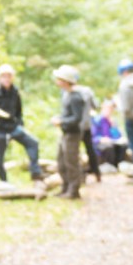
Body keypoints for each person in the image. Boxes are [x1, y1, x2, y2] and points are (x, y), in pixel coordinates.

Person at [0, 64, 44, 183]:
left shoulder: (15, 91)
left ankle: (35, 172)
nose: (7, 79)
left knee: (33, 143)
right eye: (4, 76)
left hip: (13, 127)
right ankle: (3, 181)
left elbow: (18, 110)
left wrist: (20, 124)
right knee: (0, 157)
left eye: (9, 76)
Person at [50, 65, 91, 199]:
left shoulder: (76, 97)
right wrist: (60, 118)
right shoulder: (66, 94)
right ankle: (65, 187)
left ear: (65, 80)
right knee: (61, 161)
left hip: (73, 133)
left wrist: (62, 121)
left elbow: (77, 118)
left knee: (71, 162)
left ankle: (74, 191)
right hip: (66, 133)